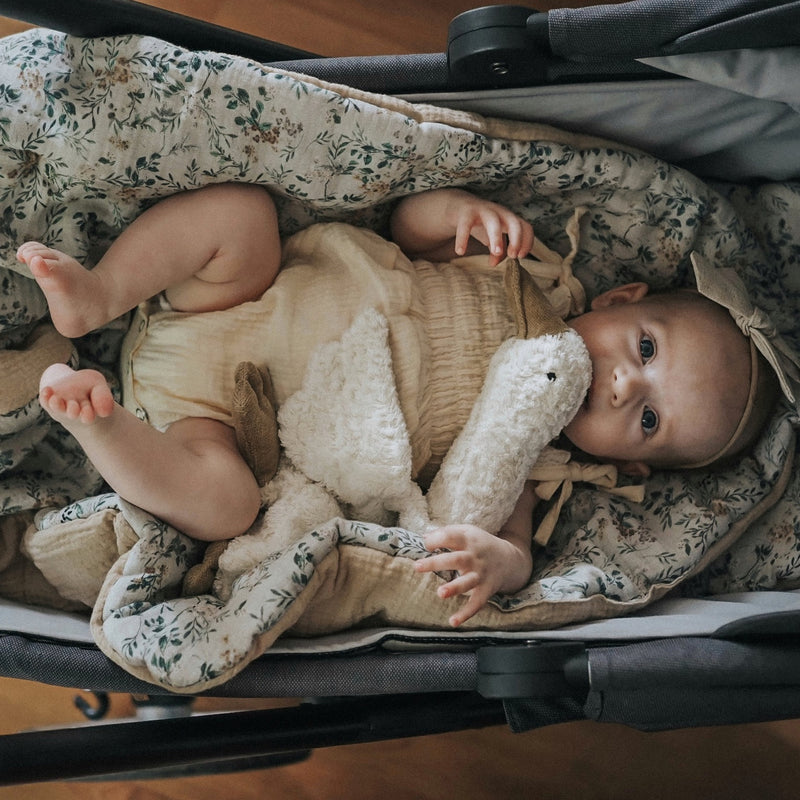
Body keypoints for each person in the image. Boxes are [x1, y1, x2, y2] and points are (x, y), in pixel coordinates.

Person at [18, 183, 776, 626]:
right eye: (644, 351)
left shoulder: (538, 456)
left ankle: (103, 424)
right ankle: (101, 294)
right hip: (234, 297)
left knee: (227, 505)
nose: (619, 386)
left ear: (626, 459)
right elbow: (405, 228)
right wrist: (457, 214)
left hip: (218, 420)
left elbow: (502, 537)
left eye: (646, 420)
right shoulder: (527, 269)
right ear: (621, 299)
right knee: (243, 216)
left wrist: (502, 563)